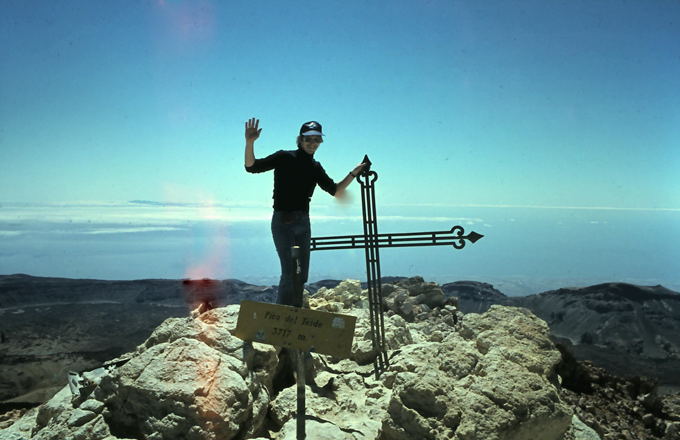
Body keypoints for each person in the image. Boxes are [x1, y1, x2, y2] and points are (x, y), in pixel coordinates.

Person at [244, 117, 365, 307]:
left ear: (321, 142)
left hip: (303, 223)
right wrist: (250, 142)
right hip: (282, 221)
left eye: (316, 139)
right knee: (290, 271)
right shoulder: (284, 157)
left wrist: (354, 172)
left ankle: (296, 312)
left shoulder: (315, 167)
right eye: (308, 139)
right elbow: (252, 167)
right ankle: (282, 315)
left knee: (301, 274)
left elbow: (336, 190)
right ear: (300, 140)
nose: (312, 143)